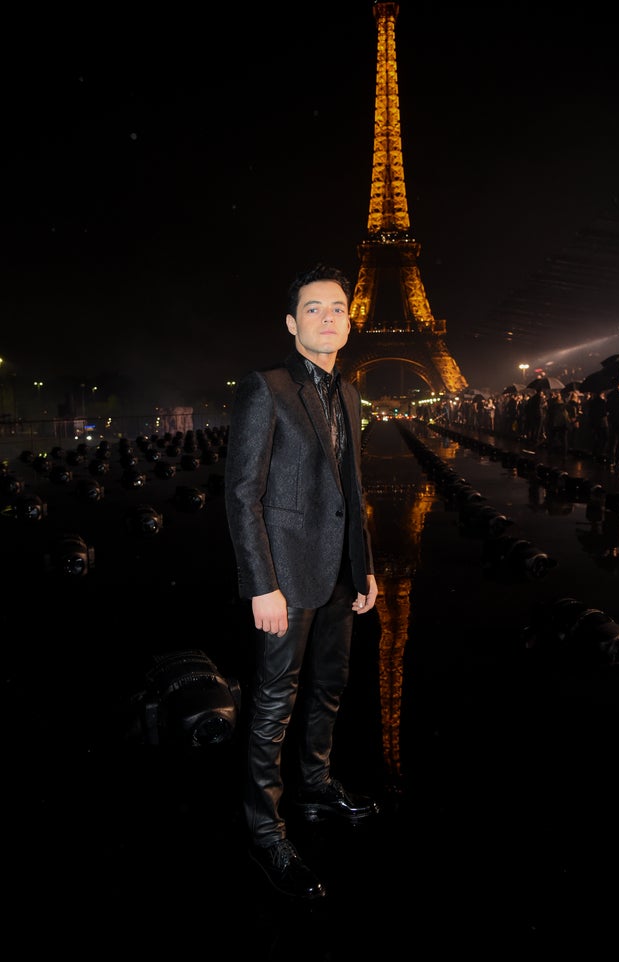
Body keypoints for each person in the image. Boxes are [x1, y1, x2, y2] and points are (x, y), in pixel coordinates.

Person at [224, 262, 380, 900]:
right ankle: (265, 831)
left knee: (330, 688)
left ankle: (314, 787)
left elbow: (353, 488)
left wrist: (363, 563)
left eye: (338, 308)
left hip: (339, 571)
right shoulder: (267, 387)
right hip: (285, 578)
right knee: (272, 703)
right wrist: (262, 584)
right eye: (313, 308)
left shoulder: (347, 392)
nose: (328, 317)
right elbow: (242, 494)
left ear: (350, 318)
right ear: (292, 324)